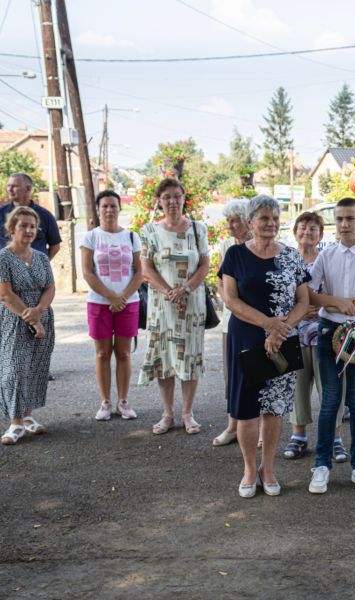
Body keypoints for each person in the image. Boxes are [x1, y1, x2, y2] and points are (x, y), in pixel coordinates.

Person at [219, 195, 310, 497]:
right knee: (246, 410)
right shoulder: (235, 255)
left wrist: (281, 328)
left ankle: (267, 468)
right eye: (263, 218)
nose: (271, 223)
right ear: (250, 222)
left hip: (282, 340)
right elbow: (231, 300)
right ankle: (248, 469)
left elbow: (304, 300)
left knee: (275, 408)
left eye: (274, 218)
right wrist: (268, 324)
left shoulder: (291, 256)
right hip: (246, 338)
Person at [307, 198, 355, 494]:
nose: (344, 224)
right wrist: (334, 302)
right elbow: (311, 293)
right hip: (329, 333)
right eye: (339, 219)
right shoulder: (326, 256)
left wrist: (344, 304)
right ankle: (322, 465)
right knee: (330, 401)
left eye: (350, 218)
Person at [138, 177, 210, 435]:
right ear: (159, 201)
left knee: (189, 358)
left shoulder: (198, 229)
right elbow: (146, 268)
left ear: (183, 199)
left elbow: (204, 265)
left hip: (191, 304)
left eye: (176, 196)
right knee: (164, 358)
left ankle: (187, 414)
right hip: (162, 304)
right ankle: (167, 414)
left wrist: (186, 288)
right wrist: (169, 291)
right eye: (166, 197)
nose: (172, 201)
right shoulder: (148, 231)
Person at [282, 211, 348, 462]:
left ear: (321, 234)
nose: (307, 232)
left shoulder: (328, 259)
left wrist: (318, 308)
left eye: (313, 228)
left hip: (324, 333)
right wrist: (296, 312)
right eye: (303, 227)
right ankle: (298, 438)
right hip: (293, 334)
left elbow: (338, 294)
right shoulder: (285, 258)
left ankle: (336, 439)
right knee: (296, 388)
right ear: (295, 231)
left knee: (331, 387)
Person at [81, 190, 143, 421]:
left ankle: (123, 401)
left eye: (113, 206)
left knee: (124, 353)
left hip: (128, 302)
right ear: (98, 209)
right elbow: (87, 272)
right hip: (99, 303)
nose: (109, 210)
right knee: (102, 353)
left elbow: (139, 272)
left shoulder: (131, 237)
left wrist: (123, 297)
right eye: (104, 206)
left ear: (119, 209)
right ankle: (105, 402)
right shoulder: (91, 237)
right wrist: (110, 297)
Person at [0, 206, 56, 445]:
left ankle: (28, 416)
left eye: (32, 226)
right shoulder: (3, 257)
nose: (28, 230)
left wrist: (39, 312)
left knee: (34, 368)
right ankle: (15, 423)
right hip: (14, 318)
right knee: (13, 370)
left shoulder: (42, 257)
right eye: (23, 225)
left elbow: (50, 288)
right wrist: (32, 319)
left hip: (41, 315)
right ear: (12, 229)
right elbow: (5, 294)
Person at [212, 199, 253, 447]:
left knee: (259, 374)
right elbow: (219, 280)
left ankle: (256, 429)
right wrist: (228, 300)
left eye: (233, 221)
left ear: (247, 220)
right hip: (232, 322)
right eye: (227, 221)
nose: (229, 226)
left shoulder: (259, 246)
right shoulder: (227, 246)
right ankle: (232, 426)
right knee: (232, 375)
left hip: (257, 322)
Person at [1, 173, 61, 260]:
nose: (10, 189)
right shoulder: (1, 213)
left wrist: (39, 264)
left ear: (28, 188)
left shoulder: (45, 215)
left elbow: (55, 246)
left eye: (14, 186)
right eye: (8, 186)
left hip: (34, 271)